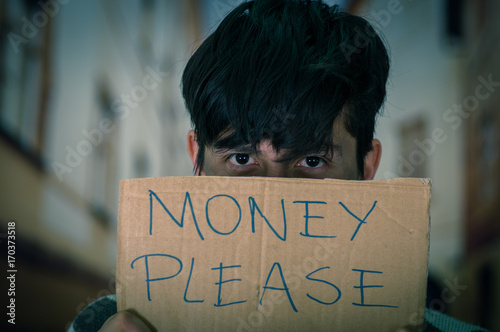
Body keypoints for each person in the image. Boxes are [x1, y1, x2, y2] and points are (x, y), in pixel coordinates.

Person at [68, 0, 487, 331]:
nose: (273, 198)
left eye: (311, 160)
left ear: (366, 167)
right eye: (243, 158)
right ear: (197, 159)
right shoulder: (106, 326)